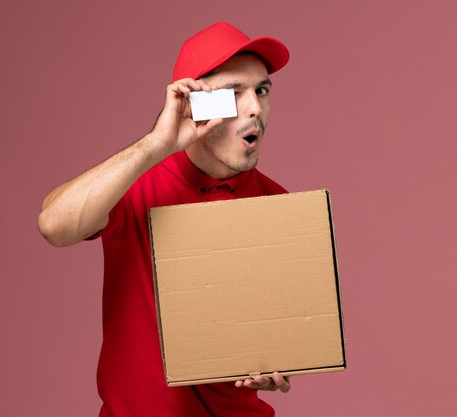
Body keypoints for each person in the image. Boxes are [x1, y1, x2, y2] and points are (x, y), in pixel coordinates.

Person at [38, 21, 292, 417]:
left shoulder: (277, 203)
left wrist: (279, 359)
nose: (255, 108)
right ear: (195, 101)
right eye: (233, 93)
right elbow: (54, 225)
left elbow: (279, 331)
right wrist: (156, 144)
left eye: (261, 91)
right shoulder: (135, 185)